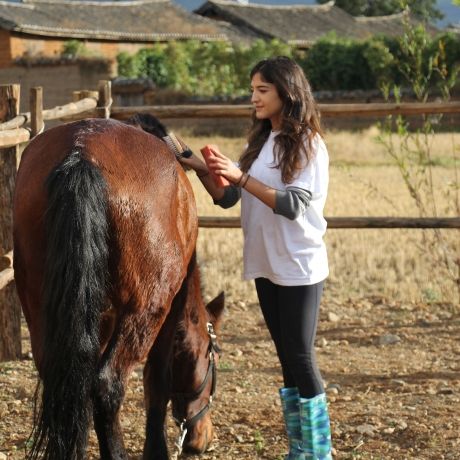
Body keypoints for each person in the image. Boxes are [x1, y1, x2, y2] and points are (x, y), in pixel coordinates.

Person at [179, 56, 332, 460]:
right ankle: (300, 450)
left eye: (262, 90)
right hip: (266, 262)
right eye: (252, 90)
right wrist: (198, 165)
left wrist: (241, 175)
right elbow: (231, 196)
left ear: (287, 92)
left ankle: (319, 452)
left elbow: (294, 204)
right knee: (286, 358)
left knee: (300, 355)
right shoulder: (263, 141)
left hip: (298, 265)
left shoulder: (310, 145)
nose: (254, 98)